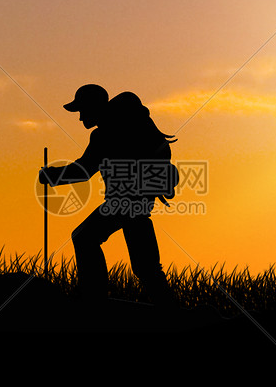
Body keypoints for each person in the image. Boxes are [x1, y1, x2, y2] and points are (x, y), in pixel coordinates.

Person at [39, 84, 178, 308]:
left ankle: (94, 299)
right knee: (146, 267)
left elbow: (84, 170)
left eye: (82, 110)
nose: (80, 117)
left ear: (93, 107)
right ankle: (172, 310)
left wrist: (52, 176)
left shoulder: (104, 134)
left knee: (84, 237)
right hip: (140, 199)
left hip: (123, 201)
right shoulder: (128, 125)